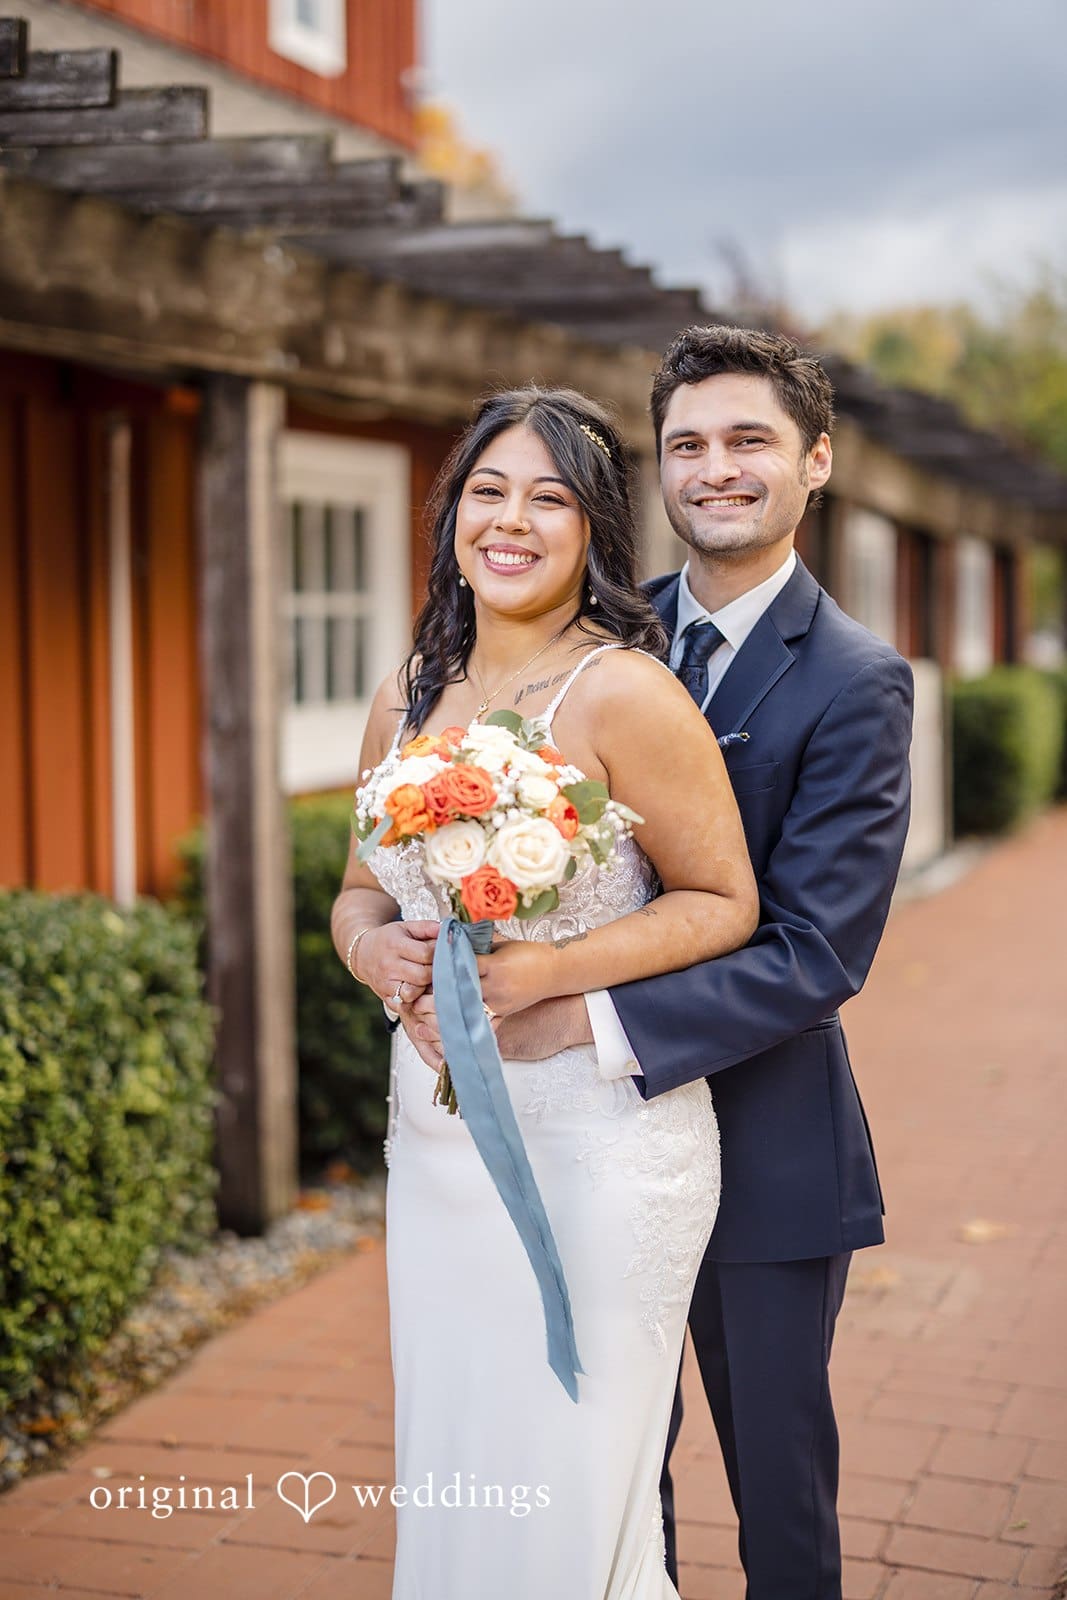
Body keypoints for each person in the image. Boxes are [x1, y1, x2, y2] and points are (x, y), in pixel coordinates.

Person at [407, 325, 914, 1599]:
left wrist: (571, 1017)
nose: (714, 469)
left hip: (761, 1142)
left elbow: (814, 949)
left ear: (815, 461)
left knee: (776, 1486)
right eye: (685, 444)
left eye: (748, 440)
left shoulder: (856, 680)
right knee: (613, 1469)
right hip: (571, 1142)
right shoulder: (588, 643)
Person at [330, 386, 759, 1599]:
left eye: (549, 498)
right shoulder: (409, 688)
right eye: (487, 489)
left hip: (599, 1146)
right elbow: (359, 894)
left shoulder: (625, 693)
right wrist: (376, 955)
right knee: (459, 1457)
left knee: (569, 1481)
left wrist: (547, 974)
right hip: (438, 1143)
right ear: (452, 513)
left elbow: (723, 902)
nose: (510, 521)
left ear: (592, 531)